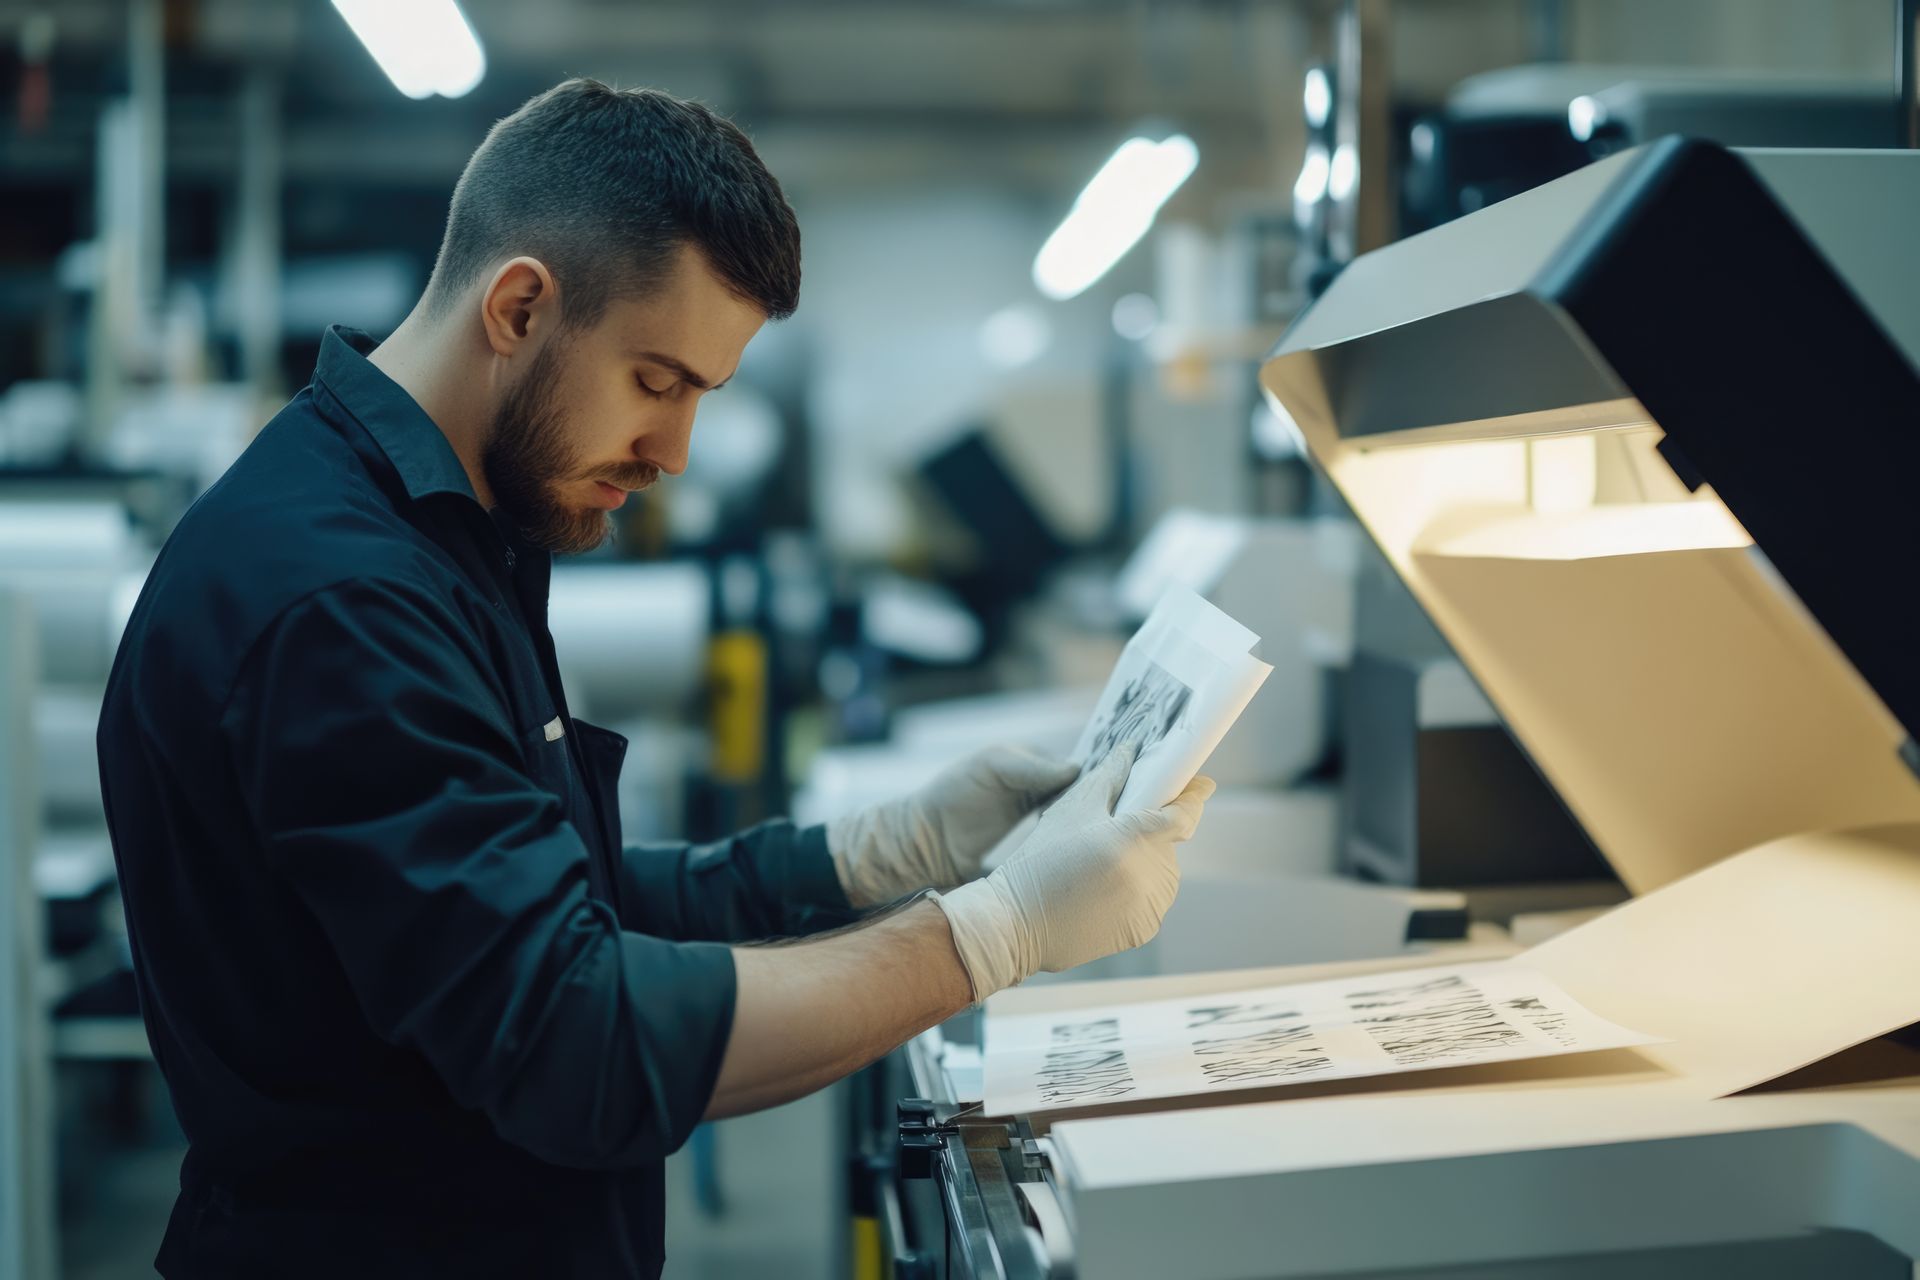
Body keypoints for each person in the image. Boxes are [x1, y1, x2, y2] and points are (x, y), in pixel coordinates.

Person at [96, 78, 1213, 1279]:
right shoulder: (340, 598)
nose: (675, 453)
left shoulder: (443, 530)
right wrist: (992, 932)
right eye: (658, 381)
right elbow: (572, 1036)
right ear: (520, 306)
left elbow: (546, 895)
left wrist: (879, 853)